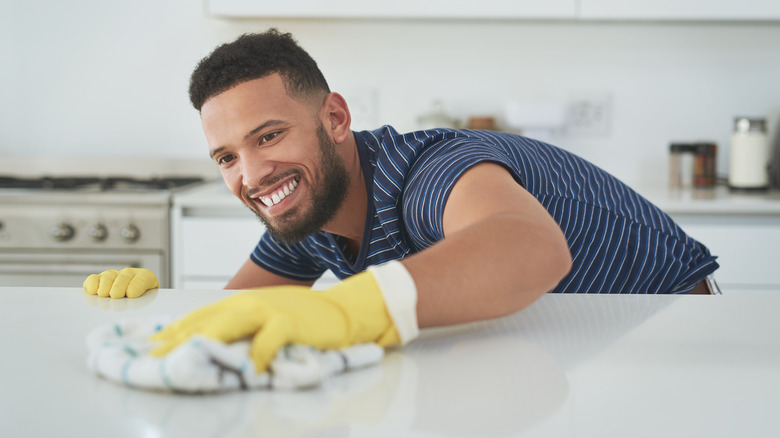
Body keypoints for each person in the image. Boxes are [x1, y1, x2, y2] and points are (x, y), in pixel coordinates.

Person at [84, 28, 718, 372]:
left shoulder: (427, 176)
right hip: (562, 344)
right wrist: (166, 310)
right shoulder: (308, 209)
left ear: (335, 117)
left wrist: (349, 309)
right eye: (227, 158)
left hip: (672, 344)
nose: (251, 174)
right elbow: (238, 317)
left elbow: (531, 247)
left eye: (269, 135)